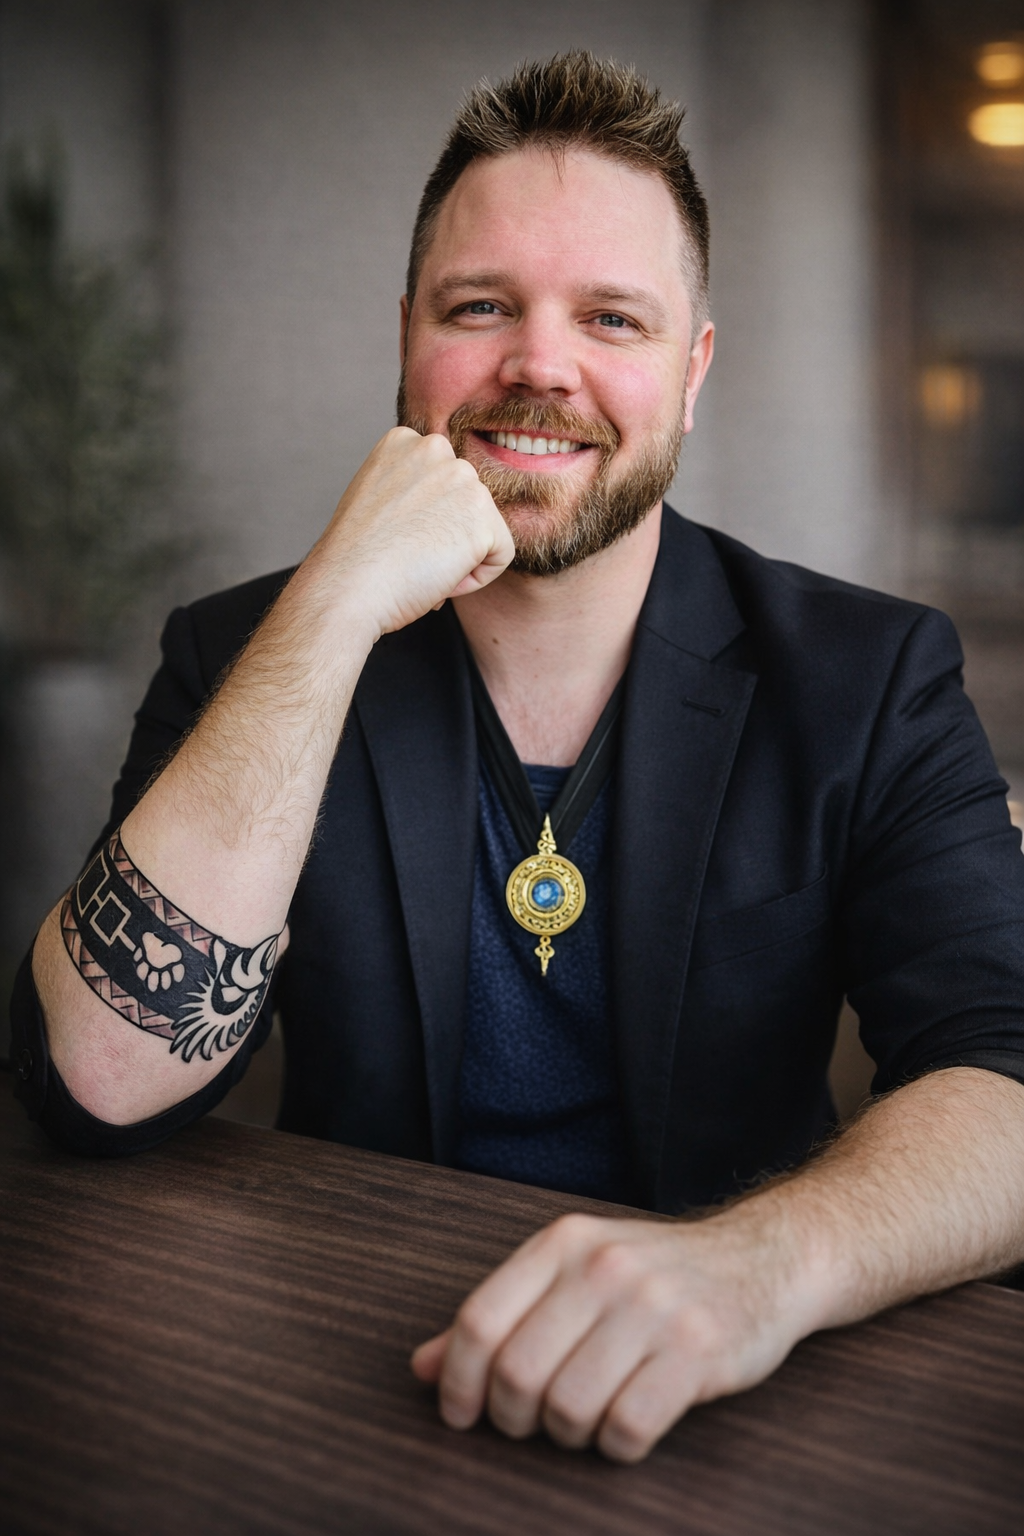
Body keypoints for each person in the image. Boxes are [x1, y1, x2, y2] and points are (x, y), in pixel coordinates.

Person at [11, 53, 1024, 1464]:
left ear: (692, 370)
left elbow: (1007, 1071)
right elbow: (95, 1079)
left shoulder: (870, 677)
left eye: (610, 316)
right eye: (481, 308)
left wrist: (761, 1268)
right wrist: (334, 610)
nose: (539, 364)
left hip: (737, 1407)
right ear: (410, 339)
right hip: (337, 1376)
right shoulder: (244, 652)